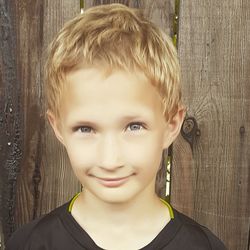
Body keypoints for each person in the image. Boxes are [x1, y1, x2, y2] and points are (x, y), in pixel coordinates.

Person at [6, 4, 227, 250]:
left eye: (134, 126)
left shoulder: (204, 247)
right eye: (85, 129)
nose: (110, 160)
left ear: (171, 125)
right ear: (58, 128)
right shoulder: (29, 244)